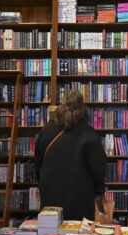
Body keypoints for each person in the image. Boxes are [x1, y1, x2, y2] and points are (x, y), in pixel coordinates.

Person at [34, 89, 107, 221]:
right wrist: (99, 190)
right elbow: (99, 168)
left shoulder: (46, 131)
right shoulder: (89, 134)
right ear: (83, 106)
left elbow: (37, 165)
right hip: (81, 198)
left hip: (51, 195)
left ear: (62, 104)